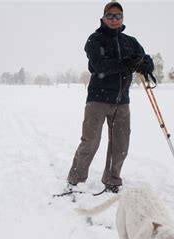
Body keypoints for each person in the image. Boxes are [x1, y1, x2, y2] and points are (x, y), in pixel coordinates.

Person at [67, 1, 154, 193]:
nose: (114, 20)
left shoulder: (130, 41)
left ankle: (112, 179)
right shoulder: (95, 40)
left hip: (122, 101)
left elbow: (144, 58)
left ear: (122, 18)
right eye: (110, 16)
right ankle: (76, 179)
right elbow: (101, 66)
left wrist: (146, 63)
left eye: (118, 16)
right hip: (97, 100)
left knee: (120, 145)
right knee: (90, 142)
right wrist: (127, 63)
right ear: (103, 18)